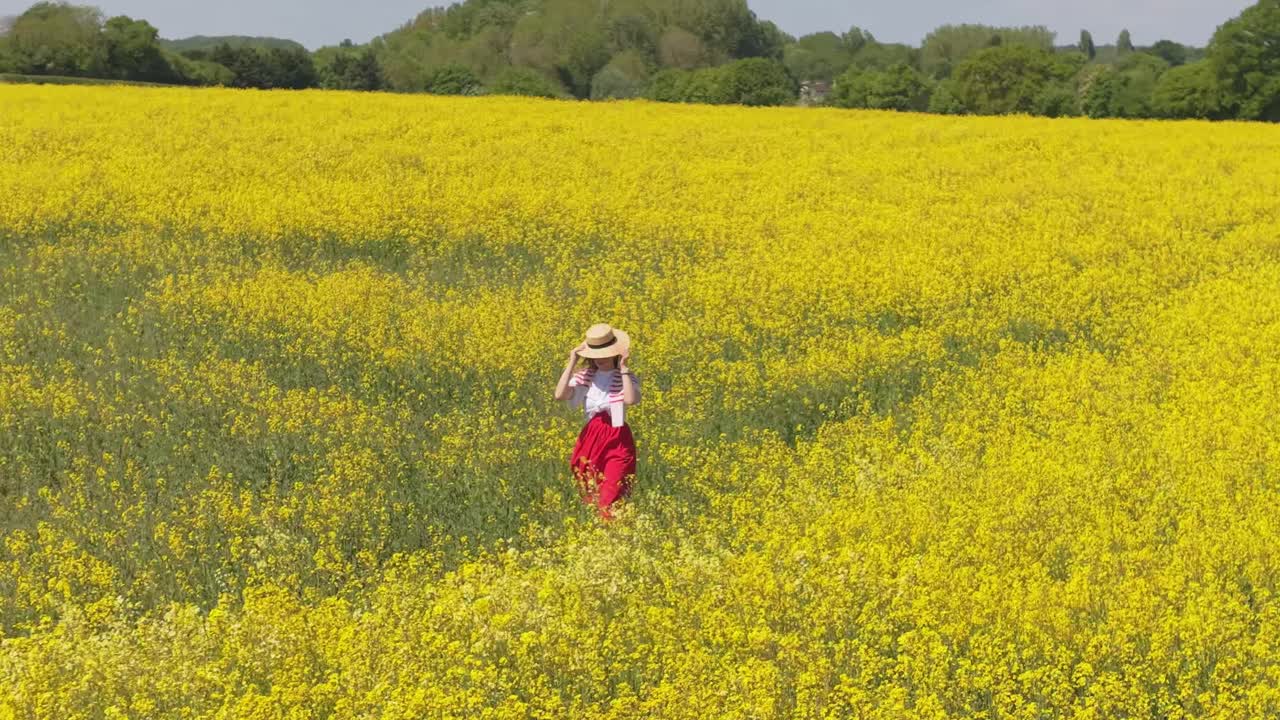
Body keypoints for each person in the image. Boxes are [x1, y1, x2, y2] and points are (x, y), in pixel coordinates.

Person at [553, 323, 641, 520]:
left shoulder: (625, 377)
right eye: (595, 354)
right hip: (591, 439)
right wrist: (571, 362)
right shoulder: (585, 377)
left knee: (612, 492)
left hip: (617, 438)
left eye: (605, 353)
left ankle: (612, 529)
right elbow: (560, 395)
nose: (600, 359)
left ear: (615, 352)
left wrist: (624, 369)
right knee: (592, 492)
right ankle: (606, 532)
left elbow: (630, 399)